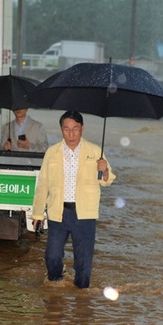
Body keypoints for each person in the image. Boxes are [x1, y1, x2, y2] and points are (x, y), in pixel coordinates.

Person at [31, 110, 115, 288]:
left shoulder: (95, 152)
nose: (71, 134)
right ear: (61, 129)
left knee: (83, 267)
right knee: (52, 257)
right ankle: (57, 284)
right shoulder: (52, 152)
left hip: (84, 215)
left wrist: (105, 170)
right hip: (58, 213)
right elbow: (43, 185)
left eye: (75, 129)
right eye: (66, 129)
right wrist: (38, 213)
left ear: (82, 128)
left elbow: (106, 182)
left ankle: (81, 304)